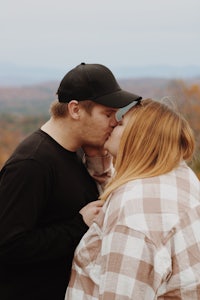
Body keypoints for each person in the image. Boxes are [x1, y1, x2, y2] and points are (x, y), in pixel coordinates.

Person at [0, 62, 142, 300]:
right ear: (75, 110)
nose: (114, 122)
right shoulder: (32, 163)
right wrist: (78, 224)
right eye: (107, 114)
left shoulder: (77, 151)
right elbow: (8, 244)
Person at [65, 98, 200, 300]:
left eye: (121, 124)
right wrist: (99, 158)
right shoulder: (180, 176)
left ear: (139, 137)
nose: (112, 124)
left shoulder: (132, 215)